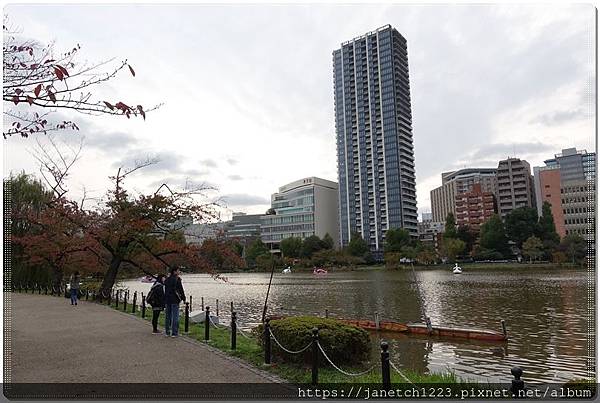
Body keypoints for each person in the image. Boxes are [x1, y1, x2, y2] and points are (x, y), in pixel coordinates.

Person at [164, 267, 186, 337]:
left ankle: (167, 332)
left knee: (168, 316)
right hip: (175, 299)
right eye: (178, 270)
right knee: (175, 316)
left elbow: (165, 290)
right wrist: (183, 298)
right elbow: (181, 289)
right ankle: (174, 332)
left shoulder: (167, 280)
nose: (179, 272)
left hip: (167, 300)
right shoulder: (177, 279)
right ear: (174, 272)